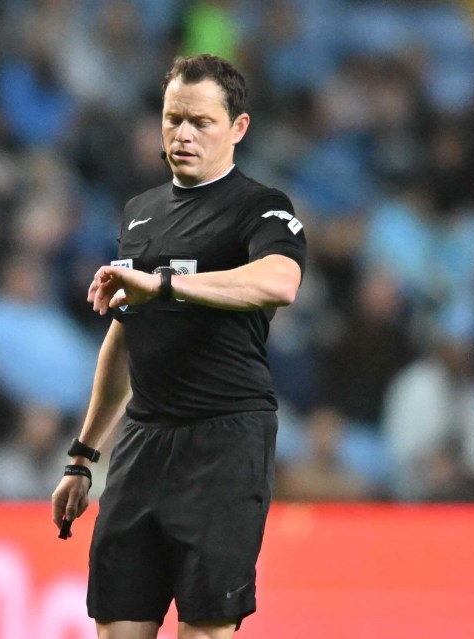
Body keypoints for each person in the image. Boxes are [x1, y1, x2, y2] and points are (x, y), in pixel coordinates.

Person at [51, 54, 307, 639]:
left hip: (225, 439)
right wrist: (82, 457)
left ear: (237, 128)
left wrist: (163, 284)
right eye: (172, 119)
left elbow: (280, 282)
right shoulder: (140, 215)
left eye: (200, 122)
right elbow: (124, 333)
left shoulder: (263, 208)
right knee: (115, 627)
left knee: (205, 629)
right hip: (144, 442)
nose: (182, 134)